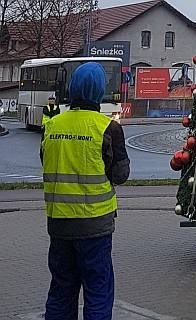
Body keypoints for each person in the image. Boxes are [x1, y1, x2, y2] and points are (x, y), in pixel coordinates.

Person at [41, 62, 130, 319]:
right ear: (99, 90)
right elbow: (121, 175)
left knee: (61, 289)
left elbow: (45, 161)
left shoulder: (52, 126)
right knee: (98, 291)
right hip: (95, 226)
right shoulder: (108, 128)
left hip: (59, 224)